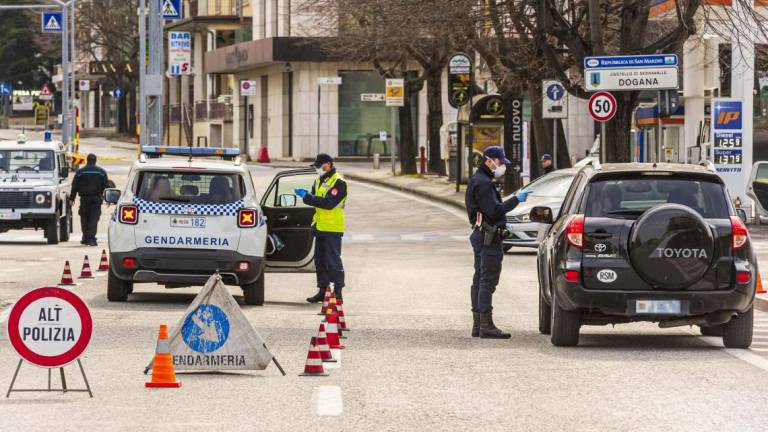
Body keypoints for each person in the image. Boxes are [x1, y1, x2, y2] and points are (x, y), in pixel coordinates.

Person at [465, 146, 528, 339]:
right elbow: (494, 211)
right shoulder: (483, 183)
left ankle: (478, 324)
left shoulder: (478, 179)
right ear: (490, 160)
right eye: (500, 161)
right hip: (488, 238)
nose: (501, 165)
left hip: (481, 234)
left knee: (480, 278)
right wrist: (516, 200)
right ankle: (486, 325)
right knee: (487, 280)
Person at [293, 153, 348, 303]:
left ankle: (338, 291)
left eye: (319, 166)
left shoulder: (339, 182)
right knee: (320, 261)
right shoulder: (318, 180)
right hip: (320, 226)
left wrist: (307, 197)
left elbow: (328, 203)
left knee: (333, 260)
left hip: (333, 228)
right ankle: (322, 291)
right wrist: (306, 195)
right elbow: (315, 200)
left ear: (329, 164)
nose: (317, 169)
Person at [69, 153, 109, 246]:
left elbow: (74, 186)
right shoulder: (101, 172)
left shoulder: (80, 172)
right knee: (94, 219)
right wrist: (108, 199)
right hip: (96, 199)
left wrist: (72, 199)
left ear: (87, 160)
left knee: (84, 218)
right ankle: (91, 239)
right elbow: (106, 187)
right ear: (95, 161)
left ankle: (85, 238)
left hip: (84, 199)